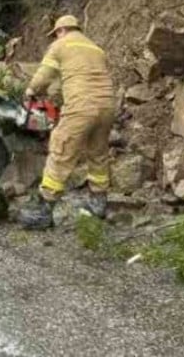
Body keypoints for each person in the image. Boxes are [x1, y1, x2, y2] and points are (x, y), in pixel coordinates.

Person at [18, 15, 116, 229]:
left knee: (61, 149)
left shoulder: (60, 45)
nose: (55, 36)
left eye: (55, 33)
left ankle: (44, 211)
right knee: (98, 152)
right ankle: (98, 204)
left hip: (82, 105)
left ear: (60, 30)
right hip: (108, 105)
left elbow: (45, 75)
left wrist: (30, 91)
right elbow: (84, 76)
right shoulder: (96, 48)